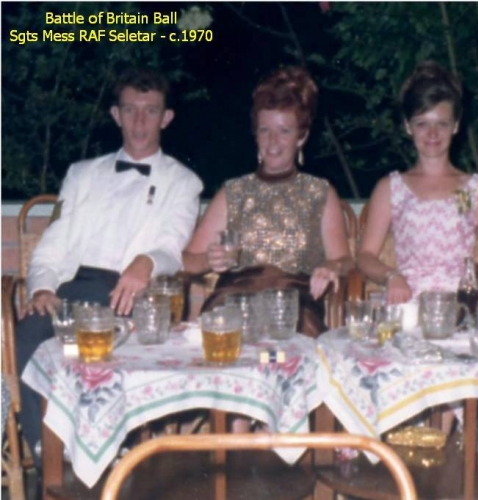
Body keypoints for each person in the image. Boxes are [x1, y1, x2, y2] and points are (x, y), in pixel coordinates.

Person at [15, 67, 203, 468]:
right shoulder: (81, 174)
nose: (139, 121)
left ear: (166, 117)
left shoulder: (184, 182)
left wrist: (146, 262)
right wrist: (42, 289)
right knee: (30, 328)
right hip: (73, 290)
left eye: (150, 110)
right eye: (130, 109)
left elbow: (171, 246)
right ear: (116, 115)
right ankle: (47, 455)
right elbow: (52, 245)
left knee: (108, 351)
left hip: (131, 294)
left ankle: (108, 457)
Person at [182, 66, 352, 338]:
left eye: (284, 131)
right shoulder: (233, 192)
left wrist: (331, 267)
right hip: (232, 308)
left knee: (285, 349)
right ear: (255, 134)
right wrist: (208, 260)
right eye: (265, 130)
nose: (273, 141)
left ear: (302, 136)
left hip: (292, 312)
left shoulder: (320, 192)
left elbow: (344, 260)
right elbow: (187, 261)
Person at [357, 60, 478, 305]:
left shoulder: (473, 190)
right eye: (422, 124)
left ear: (455, 125)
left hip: (460, 306)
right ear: (408, 126)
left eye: (442, 124)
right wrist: (391, 276)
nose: (432, 134)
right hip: (406, 305)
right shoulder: (391, 188)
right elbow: (365, 255)